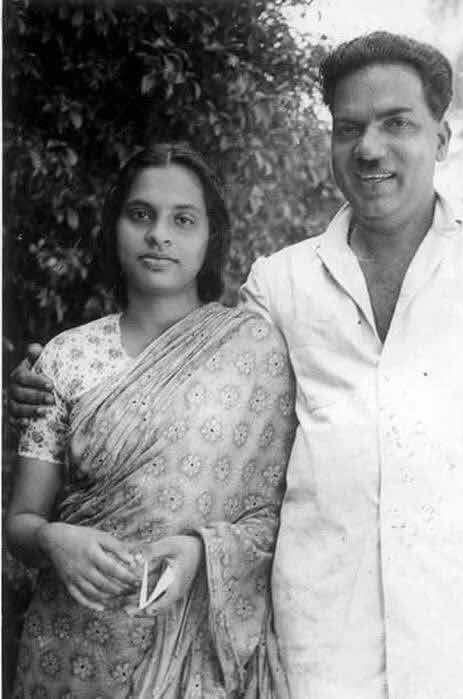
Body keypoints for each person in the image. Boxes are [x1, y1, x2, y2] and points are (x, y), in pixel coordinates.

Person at [9, 31, 463, 699]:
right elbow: (187, 386)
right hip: (324, 655)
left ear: (443, 137)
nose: (370, 148)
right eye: (349, 128)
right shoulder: (281, 286)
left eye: (397, 123)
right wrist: (42, 388)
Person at [6, 142, 294, 699]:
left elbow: (277, 515)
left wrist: (200, 552)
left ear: (211, 237)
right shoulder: (66, 357)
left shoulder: (256, 351)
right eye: (141, 214)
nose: (159, 234)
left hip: (196, 653)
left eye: (183, 219)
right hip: (70, 654)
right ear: (114, 227)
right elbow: (20, 524)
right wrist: (53, 539)